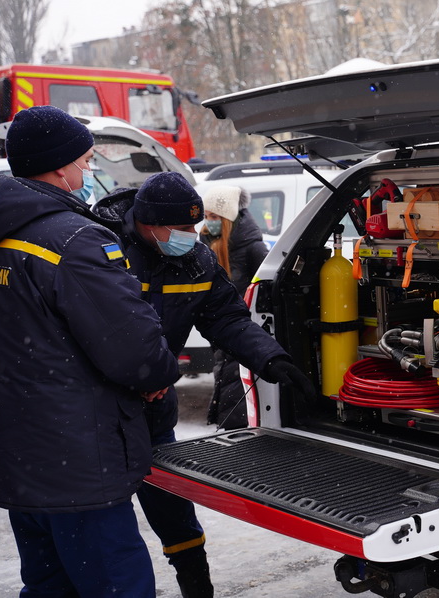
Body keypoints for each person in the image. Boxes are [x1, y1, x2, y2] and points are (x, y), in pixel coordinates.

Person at [0, 106, 181, 596]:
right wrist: (156, 374)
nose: (89, 170)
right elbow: (135, 350)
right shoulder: (73, 239)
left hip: (18, 457)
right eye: (86, 159)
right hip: (78, 463)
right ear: (59, 167)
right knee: (114, 586)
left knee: (50, 584)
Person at [93, 172, 313, 598]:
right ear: (147, 222)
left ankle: (196, 581)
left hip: (155, 407)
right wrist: (137, 378)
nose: (193, 236)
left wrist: (270, 358)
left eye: (196, 226)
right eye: (182, 228)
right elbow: (90, 330)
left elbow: (226, 318)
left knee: (170, 498)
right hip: (102, 410)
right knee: (106, 516)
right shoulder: (101, 251)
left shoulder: (196, 260)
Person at [199, 185, 269, 428]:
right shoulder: (209, 243)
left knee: (236, 386)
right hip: (219, 331)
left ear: (228, 217)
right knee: (227, 381)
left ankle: (235, 429)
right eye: (206, 216)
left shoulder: (253, 248)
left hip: (241, 329)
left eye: (215, 217)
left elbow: (266, 292)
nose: (209, 223)